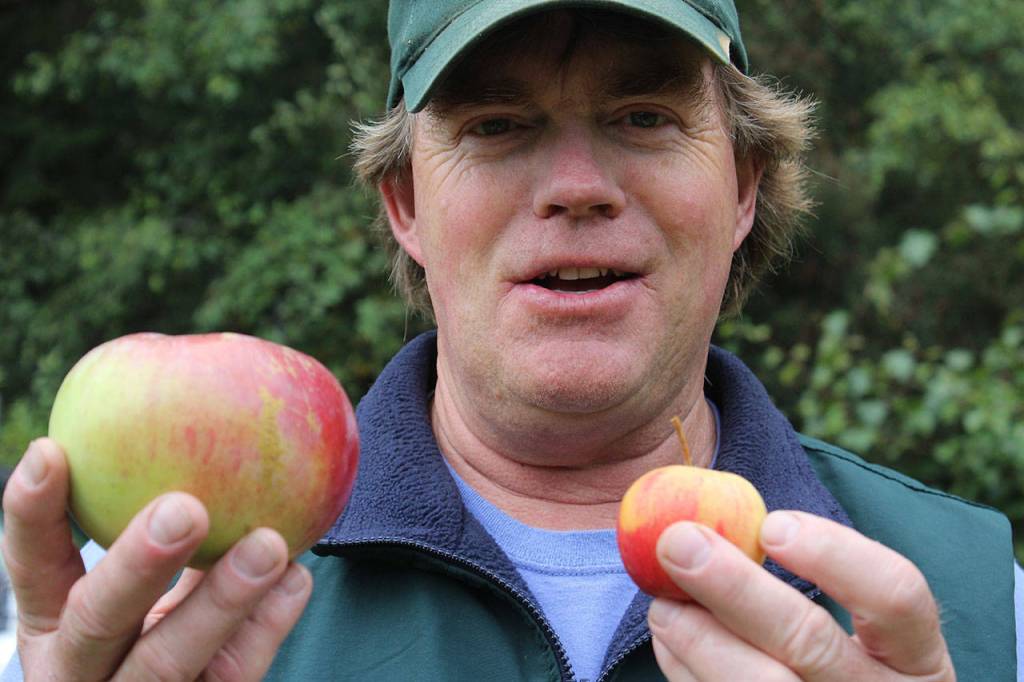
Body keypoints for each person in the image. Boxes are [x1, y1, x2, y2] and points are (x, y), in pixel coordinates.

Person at [1, 1, 1020, 680]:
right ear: (405, 202)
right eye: (495, 125)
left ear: (744, 186)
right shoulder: (141, 614)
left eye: (643, 116)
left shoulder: (976, 604)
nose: (576, 184)